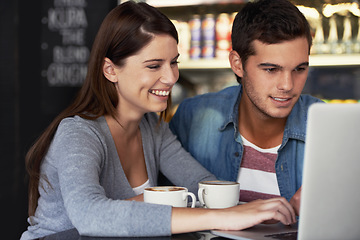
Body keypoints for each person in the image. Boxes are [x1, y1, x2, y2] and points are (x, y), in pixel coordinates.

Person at [21, 1, 297, 240]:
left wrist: (266, 209)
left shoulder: (152, 128)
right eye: (154, 66)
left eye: (173, 62)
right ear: (110, 70)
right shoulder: (78, 133)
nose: (171, 77)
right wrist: (218, 217)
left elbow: (200, 184)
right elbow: (89, 215)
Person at [169, 0, 323, 217]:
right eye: (271, 69)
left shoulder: (328, 127)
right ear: (237, 64)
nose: (288, 85)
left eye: (299, 69)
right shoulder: (192, 117)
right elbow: (162, 206)